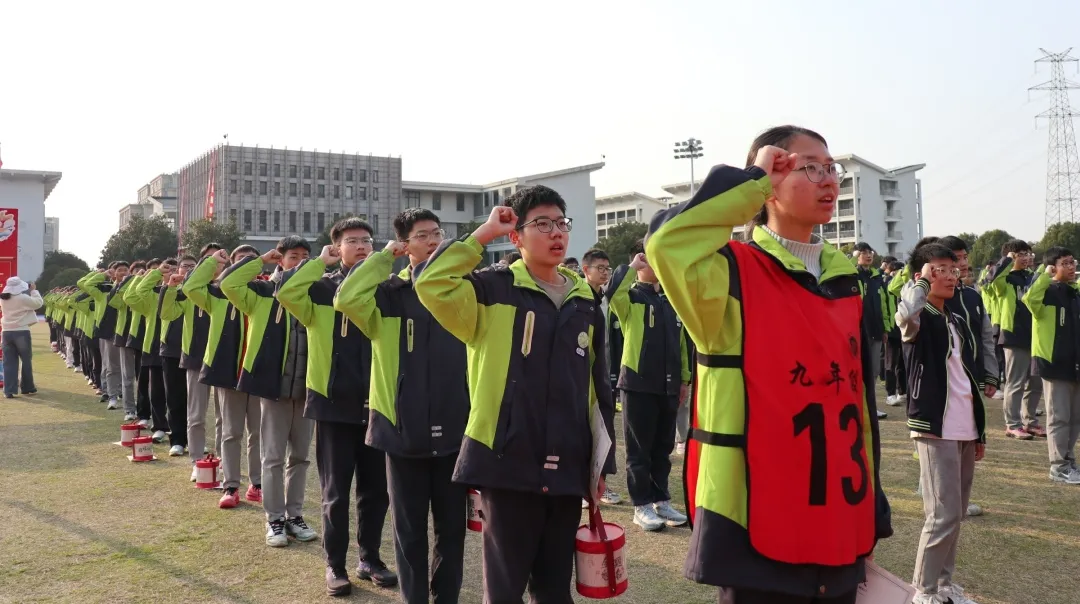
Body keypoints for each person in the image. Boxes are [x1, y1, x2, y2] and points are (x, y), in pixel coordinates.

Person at [646, 126, 891, 603]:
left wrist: (871, 506)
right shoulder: (728, 271)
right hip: (753, 513)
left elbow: (858, 406)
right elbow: (666, 243)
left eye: (831, 168)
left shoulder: (846, 279)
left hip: (838, 510)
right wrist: (753, 176)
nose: (827, 180)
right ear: (770, 183)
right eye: (808, 167)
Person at [414, 186, 614, 603]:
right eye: (541, 224)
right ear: (516, 236)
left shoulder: (585, 302)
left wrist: (600, 465)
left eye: (561, 223)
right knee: (504, 590)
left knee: (554, 589)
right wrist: (482, 234)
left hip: (568, 465)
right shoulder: (491, 290)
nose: (556, 233)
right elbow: (431, 282)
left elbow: (597, 391)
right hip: (506, 462)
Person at [336, 208, 470, 604]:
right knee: (409, 532)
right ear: (404, 244)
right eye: (422, 235)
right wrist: (383, 258)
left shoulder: (458, 292)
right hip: (401, 431)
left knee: (452, 530)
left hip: (455, 430)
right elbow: (346, 298)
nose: (432, 241)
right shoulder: (388, 296)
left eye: (437, 233)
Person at [276, 217, 395, 597]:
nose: (361, 246)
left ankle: (370, 558)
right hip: (332, 405)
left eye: (367, 240)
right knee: (335, 492)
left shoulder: (384, 286)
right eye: (352, 241)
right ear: (336, 247)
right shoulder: (319, 290)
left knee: (376, 490)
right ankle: (335, 564)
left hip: (377, 403)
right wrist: (318, 263)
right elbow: (285, 292)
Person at [896, 243, 986, 604]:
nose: (951, 275)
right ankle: (925, 590)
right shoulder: (920, 317)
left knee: (957, 514)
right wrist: (919, 283)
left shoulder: (955, 318)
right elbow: (905, 316)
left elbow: (968, 378)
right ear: (923, 274)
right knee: (941, 513)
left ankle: (945, 586)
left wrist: (979, 432)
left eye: (953, 269)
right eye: (940, 269)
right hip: (934, 425)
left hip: (965, 425)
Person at [219, 236, 319, 547]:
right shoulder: (261, 292)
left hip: (306, 388)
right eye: (292, 256)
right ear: (280, 259)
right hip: (274, 388)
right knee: (273, 457)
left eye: (305, 256)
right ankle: (274, 518)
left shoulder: (315, 294)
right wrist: (259, 261)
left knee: (301, 457)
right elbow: (227, 283)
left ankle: (294, 515)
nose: (299, 261)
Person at [605, 239, 690, 532]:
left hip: (668, 386)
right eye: (653, 259)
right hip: (638, 385)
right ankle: (641, 506)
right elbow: (611, 291)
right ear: (641, 261)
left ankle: (661, 500)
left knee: (662, 448)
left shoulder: (669, 300)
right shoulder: (630, 299)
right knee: (639, 450)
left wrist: (685, 379)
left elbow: (681, 343)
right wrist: (632, 266)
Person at [183, 245, 263, 509]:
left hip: (258, 371)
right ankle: (230, 485)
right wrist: (210, 261)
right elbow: (191, 287)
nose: (245, 267)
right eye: (240, 262)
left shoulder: (266, 293)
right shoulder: (216, 296)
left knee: (257, 432)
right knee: (231, 432)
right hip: (229, 373)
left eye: (250, 263)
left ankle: (257, 483)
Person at [161, 246, 222, 473]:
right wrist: (169, 287)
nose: (215, 269)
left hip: (224, 360)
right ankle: (197, 461)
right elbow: (167, 314)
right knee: (196, 415)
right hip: (197, 359)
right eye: (210, 264)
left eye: (219, 265)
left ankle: (223, 460)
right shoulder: (188, 293)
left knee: (223, 419)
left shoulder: (228, 291)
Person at [1023, 246, 1080, 484]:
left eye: (1072, 262)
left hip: (1075, 364)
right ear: (1053, 267)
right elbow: (1029, 297)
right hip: (1053, 363)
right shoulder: (1045, 292)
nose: (1071, 267)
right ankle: (1058, 466)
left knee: (1075, 417)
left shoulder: (1075, 293)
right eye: (1065, 263)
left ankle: (1068, 459)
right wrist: (1044, 275)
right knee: (1058, 417)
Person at [988, 240, 1046, 440]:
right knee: (1016, 382)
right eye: (1021, 254)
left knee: (1036, 383)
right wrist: (1006, 260)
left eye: (1028, 253)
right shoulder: (1005, 280)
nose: (1027, 257)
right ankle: (1012, 424)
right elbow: (992, 279)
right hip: (1014, 335)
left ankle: (1030, 421)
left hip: (1036, 336)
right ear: (1011, 256)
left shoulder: (1032, 277)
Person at [582, 248, 622, 504]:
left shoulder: (605, 299)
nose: (605, 273)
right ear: (586, 270)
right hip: (586, 378)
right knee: (586, 432)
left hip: (604, 376)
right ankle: (587, 485)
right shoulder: (580, 298)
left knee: (604, 430)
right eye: (600, 268)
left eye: (608, 268)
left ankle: (600, 482)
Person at [125, 260, 174, 443]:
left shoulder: (186, 294)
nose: (172, 274)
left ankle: (179, 429)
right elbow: (130, 297)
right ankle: (160, 426)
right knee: (157, 390)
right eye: (167, 271)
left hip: (179, 348)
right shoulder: (153, 296)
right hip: (154, 347)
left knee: (178, 393)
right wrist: (153, 274)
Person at [156, 257, 195, 457]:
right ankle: (178, 440)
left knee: (194, 402)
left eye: (193, 266)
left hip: (195, 352)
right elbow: (165, 313)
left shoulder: (200, 292)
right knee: (175, 398)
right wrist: (169, 286)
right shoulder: (172, 292)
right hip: (172, 351)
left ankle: (195, 440)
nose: (189, 269)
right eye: (185, 266)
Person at [78, 263, 128, 411]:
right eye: (119, 270)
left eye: (126, 270)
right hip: (109, 332)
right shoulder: (103, 292)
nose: (123, 272)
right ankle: (111, 395)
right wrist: (102, 274)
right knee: (110, 365)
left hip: (126, 331)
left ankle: (121, 392)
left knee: (126, 367)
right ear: (113, 274)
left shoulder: (132, 289)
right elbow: (83, 284)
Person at [0, 277, 43, 398]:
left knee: (9, 362)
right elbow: (38, 303)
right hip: (21, 331)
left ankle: (9, 390)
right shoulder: (22, 298)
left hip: (6, 332)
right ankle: (27, 387)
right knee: (26, 360)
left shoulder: (3, 299)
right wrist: (34, 290)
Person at [882, 261, 908, 407]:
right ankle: (890, 393)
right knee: (890, 363)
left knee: (902, 362)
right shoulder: (886, 283)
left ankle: (902, 391)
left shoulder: (906, 286)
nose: (899, 273)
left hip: (903, 327)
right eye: (897, 270)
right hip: (892, 328)